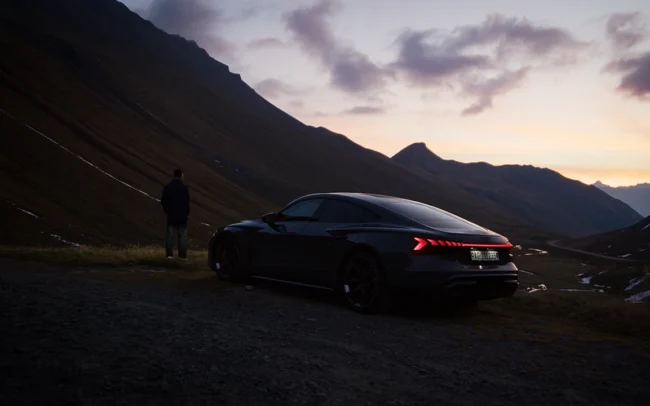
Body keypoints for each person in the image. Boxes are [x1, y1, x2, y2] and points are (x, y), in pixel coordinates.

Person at [161, 169, 190, 259]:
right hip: (182, 215)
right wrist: (186, 213)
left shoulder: (168, 187)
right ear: (181, 175)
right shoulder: (184, 187)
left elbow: (163, 201)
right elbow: (187, 201)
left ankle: (169, 255)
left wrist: (167, 211)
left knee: (170, 235)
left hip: (171, 215)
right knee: (182, 236)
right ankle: (182, 255)